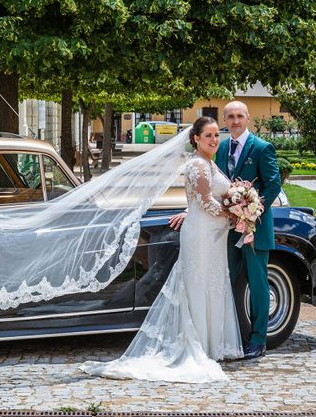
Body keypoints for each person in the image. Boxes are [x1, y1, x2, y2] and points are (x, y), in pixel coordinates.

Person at [80, 117, 243, 382]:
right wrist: (234, 214)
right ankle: (198, 343)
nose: (214, 140)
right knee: (198, 284)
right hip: (202, 234)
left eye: (217, 135)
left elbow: (208, 200)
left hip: (212, 235)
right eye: (209, 136)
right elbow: (206, 203)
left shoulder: (209, 163)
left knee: (212, 284)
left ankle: (212, 344)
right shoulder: (197, 165)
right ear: (196, 139)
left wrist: (236, 208)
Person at [170, 102, 281, 360]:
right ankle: (228, 337)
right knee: (224, 283)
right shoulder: (218, 148)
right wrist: (190, 210)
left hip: (255, 228)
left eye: (239, 116)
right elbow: (207, 189)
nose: (234, 121)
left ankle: (258, 340)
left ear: (248, 118)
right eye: (230, 116)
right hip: (225, 232)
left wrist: (250, 212)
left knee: (258, 283)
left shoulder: (263, 148)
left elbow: (272, 186)